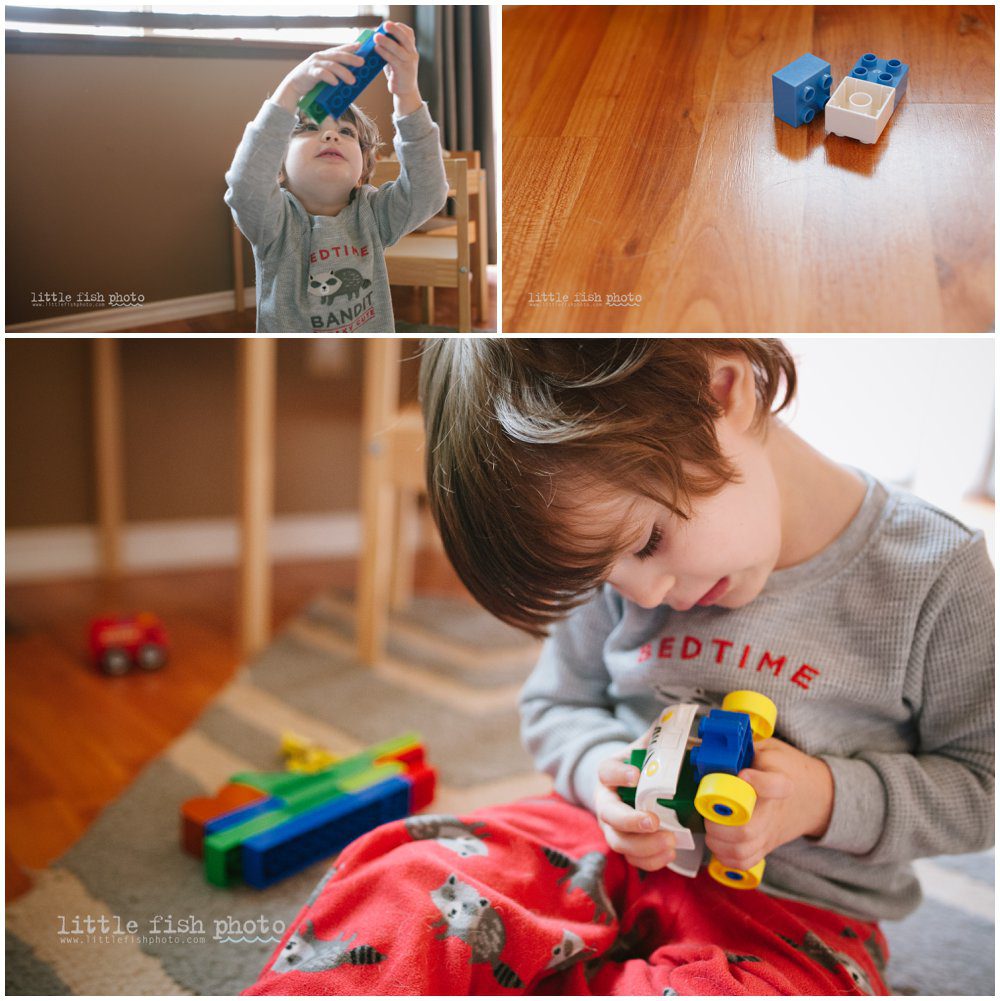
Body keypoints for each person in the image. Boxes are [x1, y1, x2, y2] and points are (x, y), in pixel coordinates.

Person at [244, 339, 994, 996]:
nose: (641, 594)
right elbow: (554, 706)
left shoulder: (936, 574)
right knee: (405, 884)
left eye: (647, 543)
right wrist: (605, 770)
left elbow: (982, 785)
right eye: (602, 577)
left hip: (791, 913)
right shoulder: (619, 555)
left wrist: (827, 797)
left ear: (720, 394)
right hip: (587, 842)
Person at [225, 21, 448, 333]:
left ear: (363, 168)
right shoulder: (274, 222)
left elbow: (428, 192)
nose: (331, 136)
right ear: (279, 166)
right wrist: (290, 89)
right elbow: (245, 185)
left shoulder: (373, 214)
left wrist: (407, 93)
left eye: (346, 132)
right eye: (311, 129)